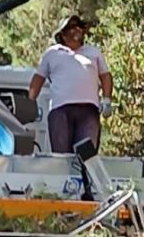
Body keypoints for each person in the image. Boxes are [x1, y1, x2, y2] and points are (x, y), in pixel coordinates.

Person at [28, 14, 114, 154]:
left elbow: (105, 76)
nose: (77, 30)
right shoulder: (52, 53)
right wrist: (31, 102)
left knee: (87, 156)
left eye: (79, 26)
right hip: (60, 111)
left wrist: (107, 100)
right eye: (72, 27)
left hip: (88, 111)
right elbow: (38, 78)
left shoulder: (93, 52)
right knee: (62, 157)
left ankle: (84, 176)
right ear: (62, 33)